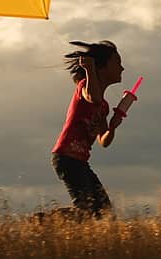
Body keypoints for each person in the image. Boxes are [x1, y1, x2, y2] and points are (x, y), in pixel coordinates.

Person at [51, 40, 125, 219]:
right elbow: (92, 97)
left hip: (80, 162)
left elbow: (103, 141)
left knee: (105, 213)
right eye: (117, 63)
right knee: (85, 210)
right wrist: (89, 70)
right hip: (66, 158)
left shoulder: (104, 107)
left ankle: (44, 221)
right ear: (102, 67)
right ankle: (41, 220)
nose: (122, 69)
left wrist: (113, 126)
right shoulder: (84, 86)